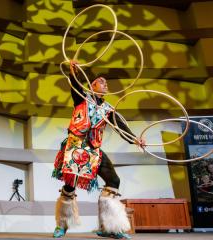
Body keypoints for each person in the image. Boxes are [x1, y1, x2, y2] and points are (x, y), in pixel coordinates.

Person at [52, 60, 145, 239]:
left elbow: (121, 127)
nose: (106, 84)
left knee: (114, 181)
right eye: (101, 81)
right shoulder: (82, 97)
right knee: (69, 186)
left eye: (106, 83)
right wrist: (74, 71)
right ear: (92, 84)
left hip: (94, 150)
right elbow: (75, 85)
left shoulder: (109, 109)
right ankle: (62, 225)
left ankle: (108, 227)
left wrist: (136, 140)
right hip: (76, 146)